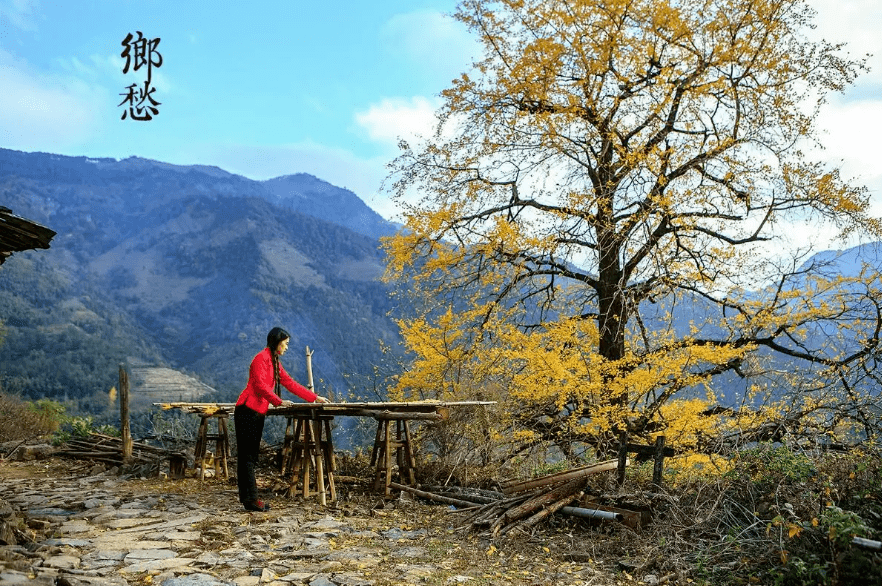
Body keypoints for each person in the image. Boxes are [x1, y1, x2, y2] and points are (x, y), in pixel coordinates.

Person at [234, 327, 328, 512]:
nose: (286, 348)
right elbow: (260, 386)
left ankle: (248, 499)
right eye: (285, 344)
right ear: (276, 342)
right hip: (247, 410)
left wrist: (314, 397)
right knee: (247, 457)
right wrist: (278, 401)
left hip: (257, 411)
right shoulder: (260, 359)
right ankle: (251, 500)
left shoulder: (274, 362)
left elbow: (289, 382)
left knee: (250, 457)